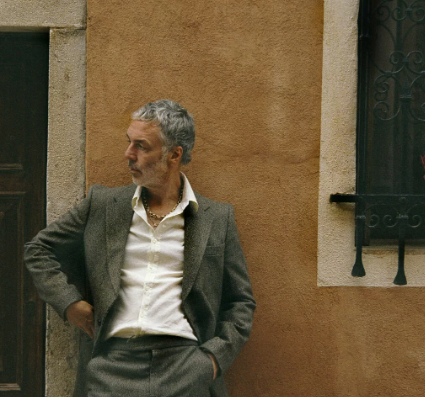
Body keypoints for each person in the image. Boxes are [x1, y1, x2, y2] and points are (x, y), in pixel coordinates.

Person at [24, 99, 255, 397]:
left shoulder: (216, 218)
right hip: (111, 367)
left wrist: (211, 360)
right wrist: (70, 303)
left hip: (185, 367)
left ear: (174, 155)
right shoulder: (103, 205)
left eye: (142, 146)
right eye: (128, 142)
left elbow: (241, 302)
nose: (128, 155)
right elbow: (39, 249)